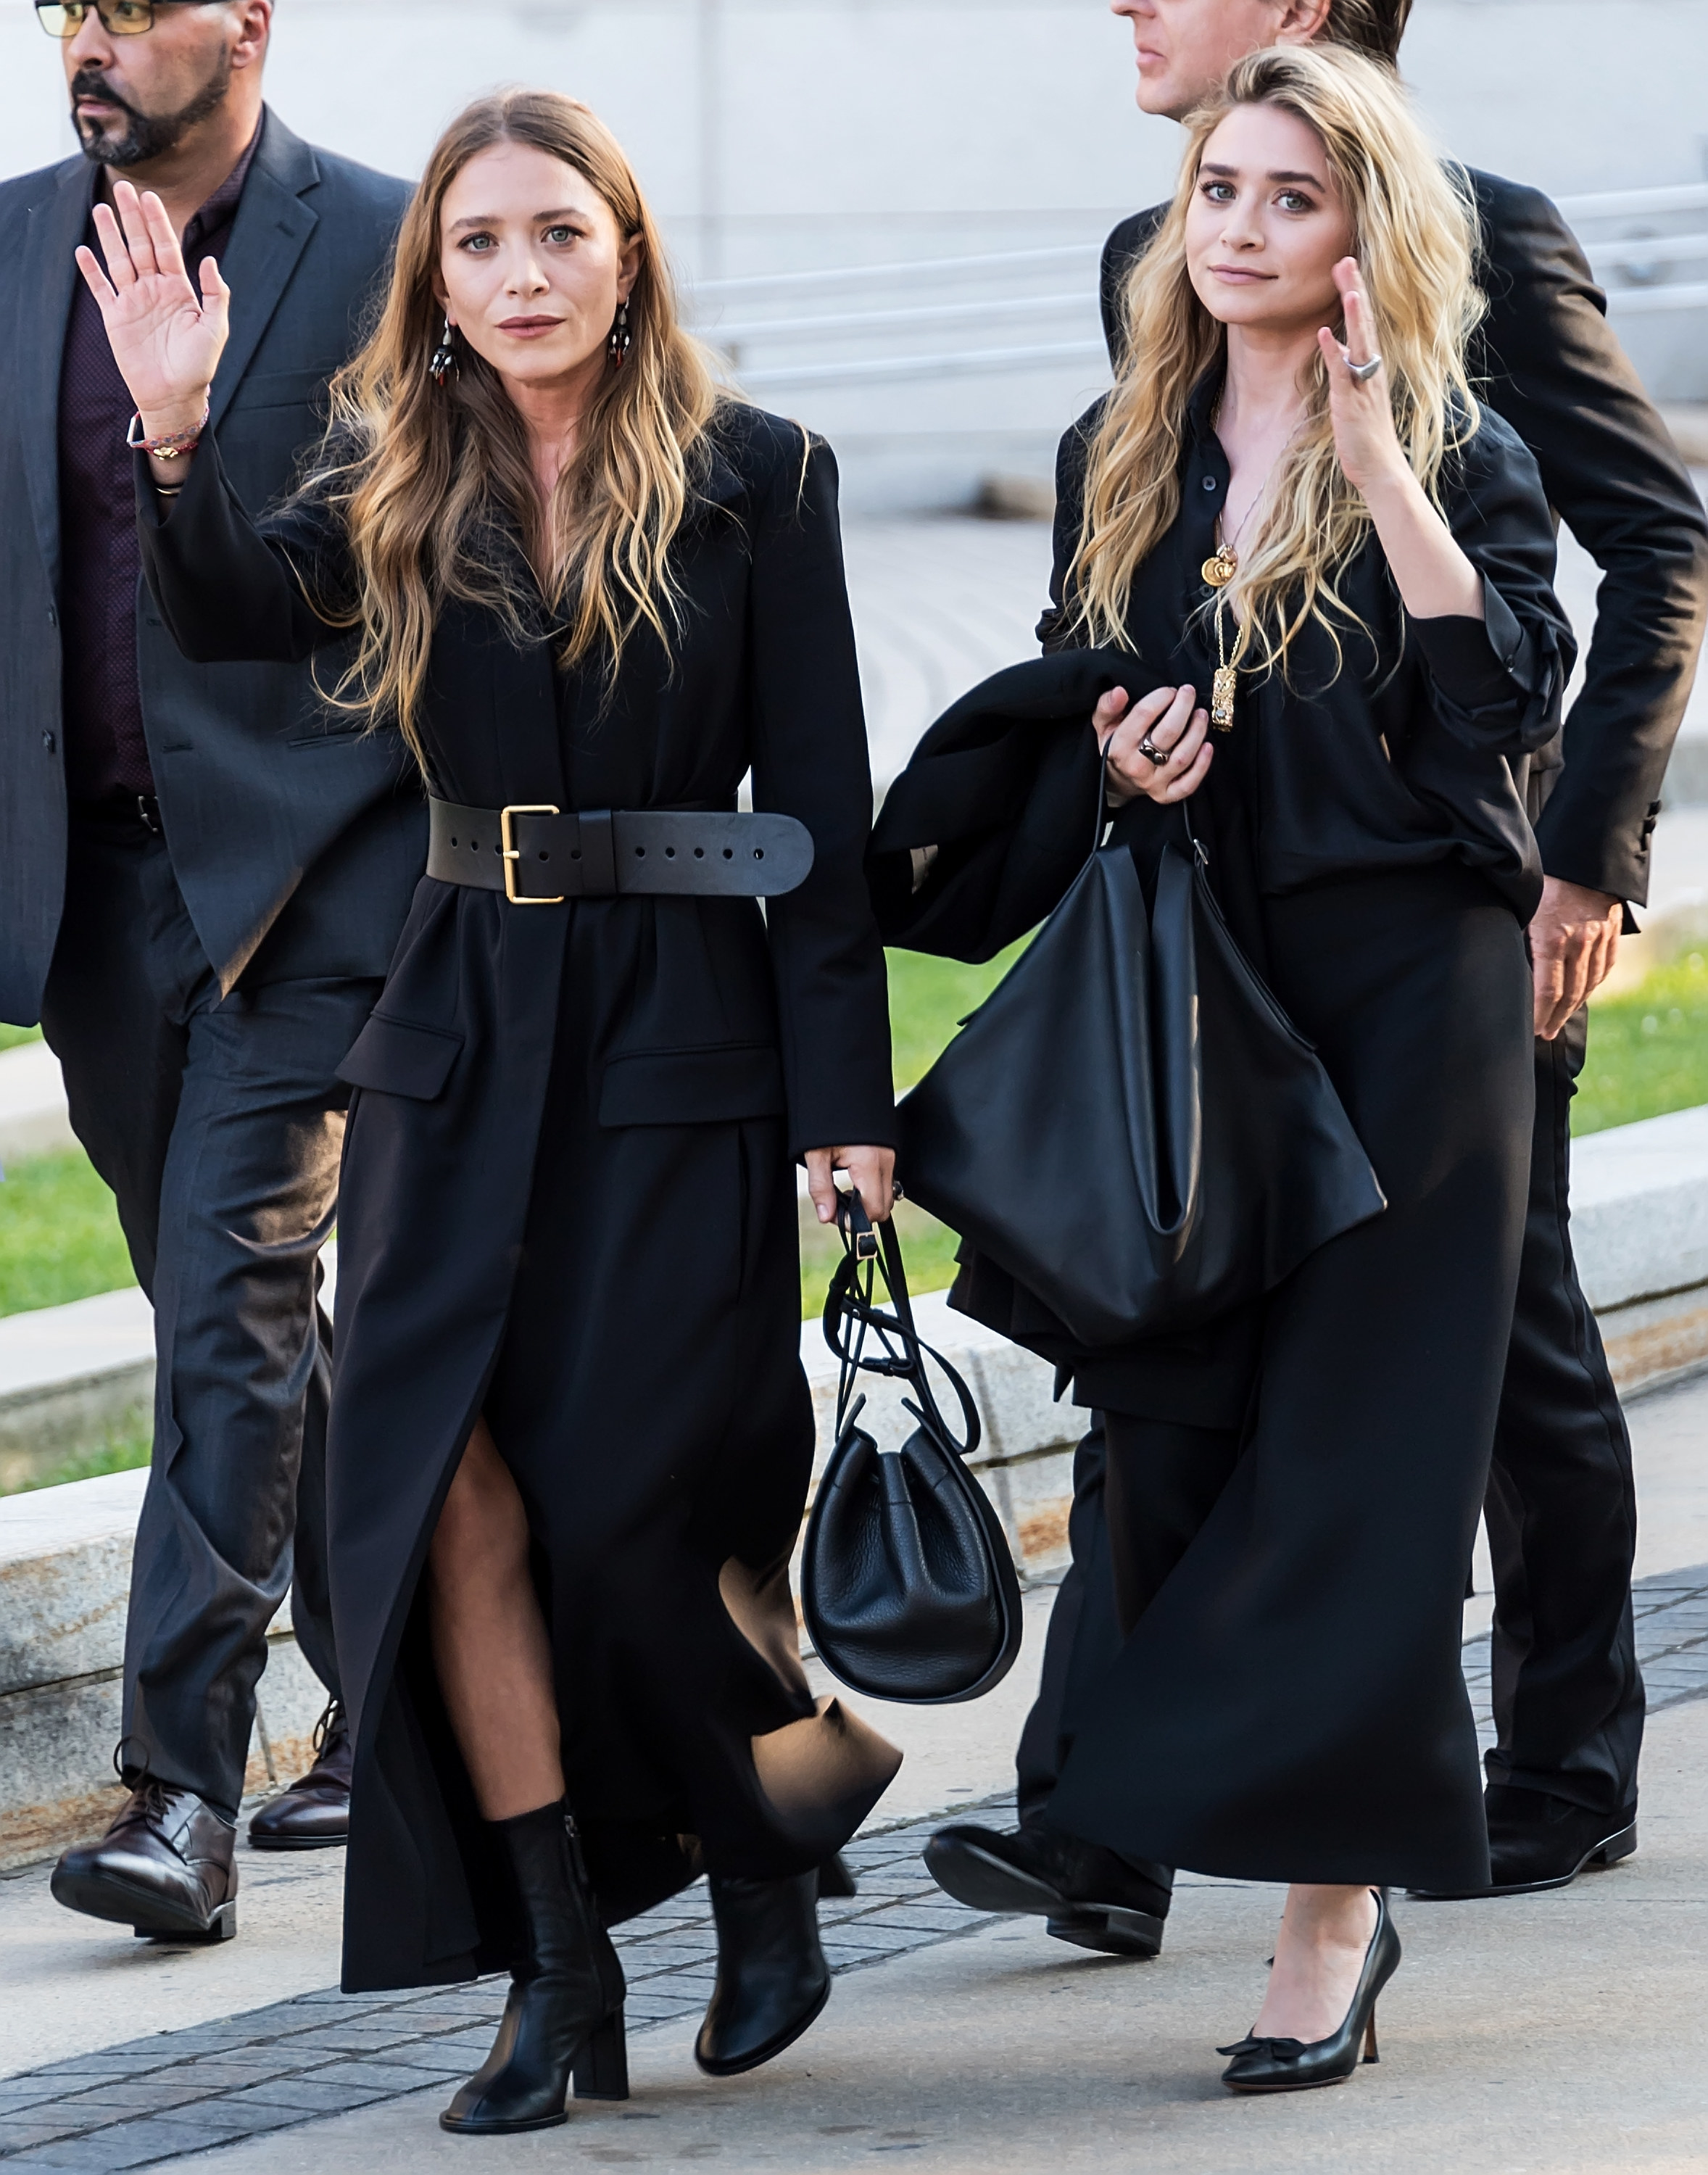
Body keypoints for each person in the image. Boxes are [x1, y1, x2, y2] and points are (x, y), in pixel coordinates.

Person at [80, 85, 903, 2133]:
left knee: (659, 1515)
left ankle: (780, 1837)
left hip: (681, 1033)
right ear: (432, 281)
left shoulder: (755, 479)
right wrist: (173, 430)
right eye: (476, 244)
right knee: (443, 1487)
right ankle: (556, 1968)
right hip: (454, 1032)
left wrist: (849, 1112)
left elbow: (817, 822)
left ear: (626, 255)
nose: (518, 275)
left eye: (557, 234)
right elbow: (224, 612)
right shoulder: (389, 467)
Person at [929, 0, 1708, 1952]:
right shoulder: (1136, 360)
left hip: (1425, 957)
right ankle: (1100, 1823)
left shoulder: (1467, 347)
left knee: (1451, 1393)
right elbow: (1092, 644)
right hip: (1208, 958)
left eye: (1286, 197)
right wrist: (1114, 747)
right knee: (1165, 1371)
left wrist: (1581, 862)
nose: (1238, 224)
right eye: (1220, 196)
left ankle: (1530, 1777)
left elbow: (1585, 611)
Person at [0, 0, 420, 1942]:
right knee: (226, 1309)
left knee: (235, 1293)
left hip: (311, 867)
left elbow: (391, 567)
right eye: (62, 10)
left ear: (246, 19)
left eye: (126, 7)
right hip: (86, 891)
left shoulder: (388, 242)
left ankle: (182, 1796)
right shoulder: (10, 247)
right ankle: (403, 1707)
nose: (87, 44)